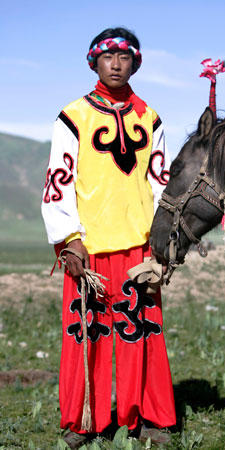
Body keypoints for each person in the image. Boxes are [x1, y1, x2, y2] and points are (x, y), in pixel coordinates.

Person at [42, 27, 176, 448]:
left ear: (135, 63)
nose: (116, 65)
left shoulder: (150, 118)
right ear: (93, 62)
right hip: (89, 247)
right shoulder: (73, 117)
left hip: (139, 244)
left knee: (143, 333)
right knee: (88, 335)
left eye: (124, 57)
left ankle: (149, 418)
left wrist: (161, 240)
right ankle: (84, 421)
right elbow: (57, 181)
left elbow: (161, 184)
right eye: (107, 57)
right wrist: (68, 240)